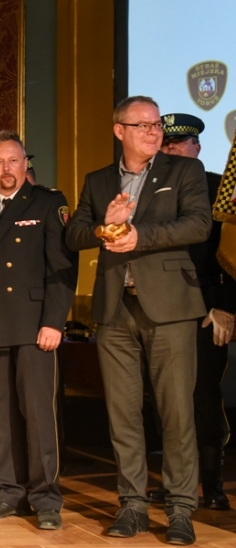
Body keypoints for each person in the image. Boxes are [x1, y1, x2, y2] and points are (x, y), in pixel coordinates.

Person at [65, 96, 211, 545]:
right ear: (120, 131)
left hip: (170, 308)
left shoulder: (184, 172)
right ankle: (132, 505)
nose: (153, 132)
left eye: (156, 126)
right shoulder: (98, 181)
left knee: (176, 412)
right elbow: (74, 234)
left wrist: (138, 236)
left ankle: (181, 508)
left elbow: (199, 225)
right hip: (114, 309)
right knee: (122, 413)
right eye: (143, 125)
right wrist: (101, 227)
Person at [0, 131, 78, 529]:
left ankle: (46, 499)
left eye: (13, 160)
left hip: (34, 326)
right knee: (0, 416)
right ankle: (9, 492)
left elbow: (62, 268)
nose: (6, 168)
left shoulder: (48, 203)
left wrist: (54, 322)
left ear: (26, 164)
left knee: (39, 416)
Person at [147, 113, 234, 510]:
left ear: (197, 147)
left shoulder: (221, 189)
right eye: (166, 144)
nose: (172, 150)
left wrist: (226, 305)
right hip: (161, 308)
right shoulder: (152, 190)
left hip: (205, 309)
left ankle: (211, 485)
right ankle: (175, 483)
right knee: (166, 400)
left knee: (203, 399)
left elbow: (234, 253)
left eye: (179, 144)